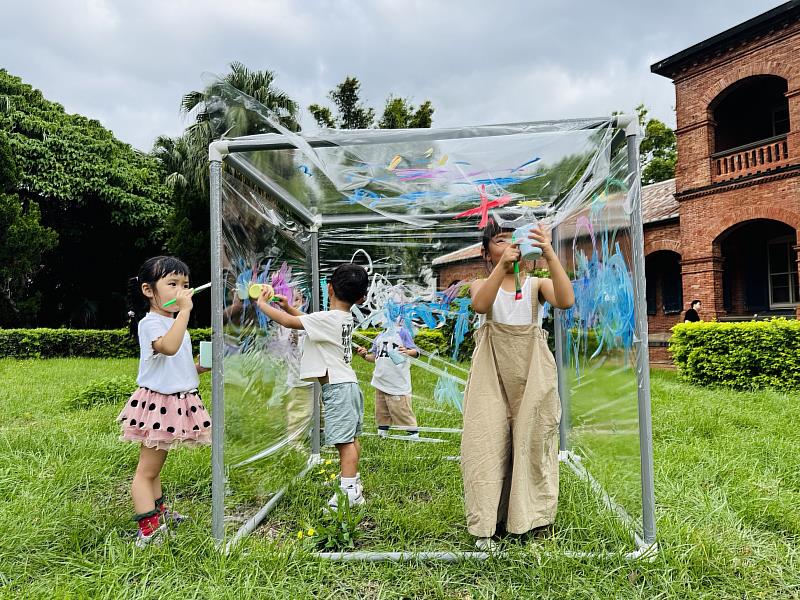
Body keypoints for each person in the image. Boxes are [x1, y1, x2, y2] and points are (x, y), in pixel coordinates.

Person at [462, 218, 574, 550]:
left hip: (532, 371)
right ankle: (486, 523)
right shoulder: (481, 284)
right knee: (486, 441)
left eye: (515, 240)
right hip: (491, 370)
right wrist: (503, 267)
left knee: (532, 439)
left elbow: (566, 300)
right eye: (500, 241)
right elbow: (480, 304)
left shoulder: (537, 285)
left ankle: (529, 517)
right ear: (485, 252)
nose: (510, 246)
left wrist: (549, 252)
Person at [117, 256, 212, 548]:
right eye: (172, 284)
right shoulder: (151, 323)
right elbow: (168, 348)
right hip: (158, 405)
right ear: (148, 290)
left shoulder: (172, 322)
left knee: (155, 467)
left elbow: (176, 364)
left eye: (185, 284)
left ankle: (159, 514)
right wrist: (184, 312)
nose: (182, 290)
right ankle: (148, 531)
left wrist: (201, 366)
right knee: (146, 471)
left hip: (175, 402)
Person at [257, 263, 369, 510]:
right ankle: (352, 482)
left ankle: (349, 491)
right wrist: (288, 305)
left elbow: (288, 322)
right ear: (361, 298)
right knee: (350, 438)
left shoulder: (328, 318)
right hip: (347, 385)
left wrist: (263, 305)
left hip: (338, 389)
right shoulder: (340, 317)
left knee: (343, 441)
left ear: (329, 288)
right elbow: (306, 321)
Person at [356, 321, 420, 439]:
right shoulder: (380, 336)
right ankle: (382, 432)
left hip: (397, 381)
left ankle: (413, 434)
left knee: (401, 410)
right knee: (381, 410)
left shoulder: (403, 333)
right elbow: (375, 357)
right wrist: (364, 355)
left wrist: (407, 351)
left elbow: (416, 352)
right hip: (380, 380)